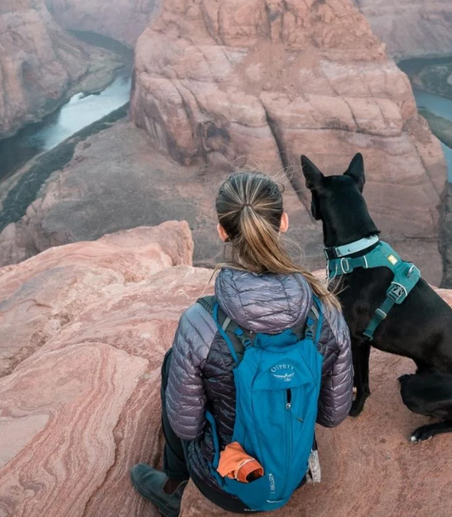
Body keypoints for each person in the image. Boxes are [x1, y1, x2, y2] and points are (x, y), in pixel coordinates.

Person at [131, 171, 353, 516]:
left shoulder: (200, 323)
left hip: (222, 482)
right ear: (283, 222)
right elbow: (332, 415)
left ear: (222, 230)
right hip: (291, 473)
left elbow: (186, 426)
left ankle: (173, 486)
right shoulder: (327, 312)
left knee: (174, 359)